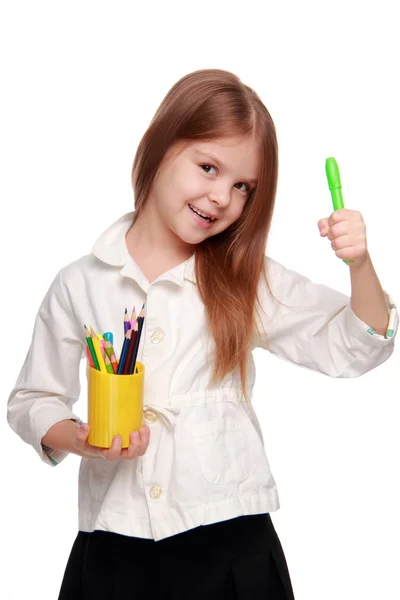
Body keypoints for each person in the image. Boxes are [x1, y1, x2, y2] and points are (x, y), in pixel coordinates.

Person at [7, 69, 398, 599]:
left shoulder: (246, 277)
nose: (222, 198)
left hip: (231, 546)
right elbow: (33, 400)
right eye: (208, 167)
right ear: (160, 145)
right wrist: (81, 439)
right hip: (114, 544)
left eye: (243, 187)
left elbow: (356, 344)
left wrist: (360, 264)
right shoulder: (79, 282)